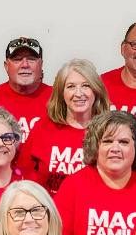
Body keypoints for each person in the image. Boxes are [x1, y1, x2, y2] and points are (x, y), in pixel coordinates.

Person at [22, 59, 110, 190]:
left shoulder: (108, 131)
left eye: (86, 86)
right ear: (61, 93)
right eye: (71, 86)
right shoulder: (43, 127)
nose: (78, 93)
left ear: (96, 91)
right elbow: (23, 174)